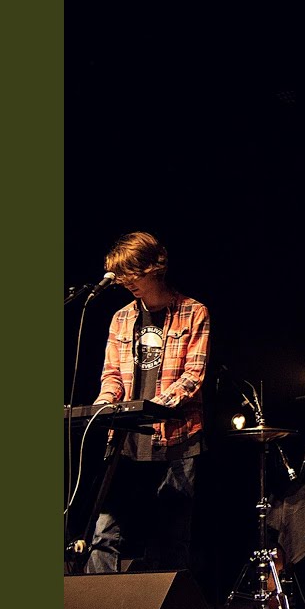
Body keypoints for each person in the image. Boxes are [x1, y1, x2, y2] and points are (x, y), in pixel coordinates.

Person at [83, 231, 212, 573]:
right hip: (125, 440)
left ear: (154, 268)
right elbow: (112, 374)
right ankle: (98, 603)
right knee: (104, 533)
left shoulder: (194, 312)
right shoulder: (121, 318)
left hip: (177, 438)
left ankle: (164, 604)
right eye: (122, 277)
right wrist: (104, 405)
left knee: (170, 538)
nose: (127, 283)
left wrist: (151, 409)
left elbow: (193, 375)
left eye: (132, 275)